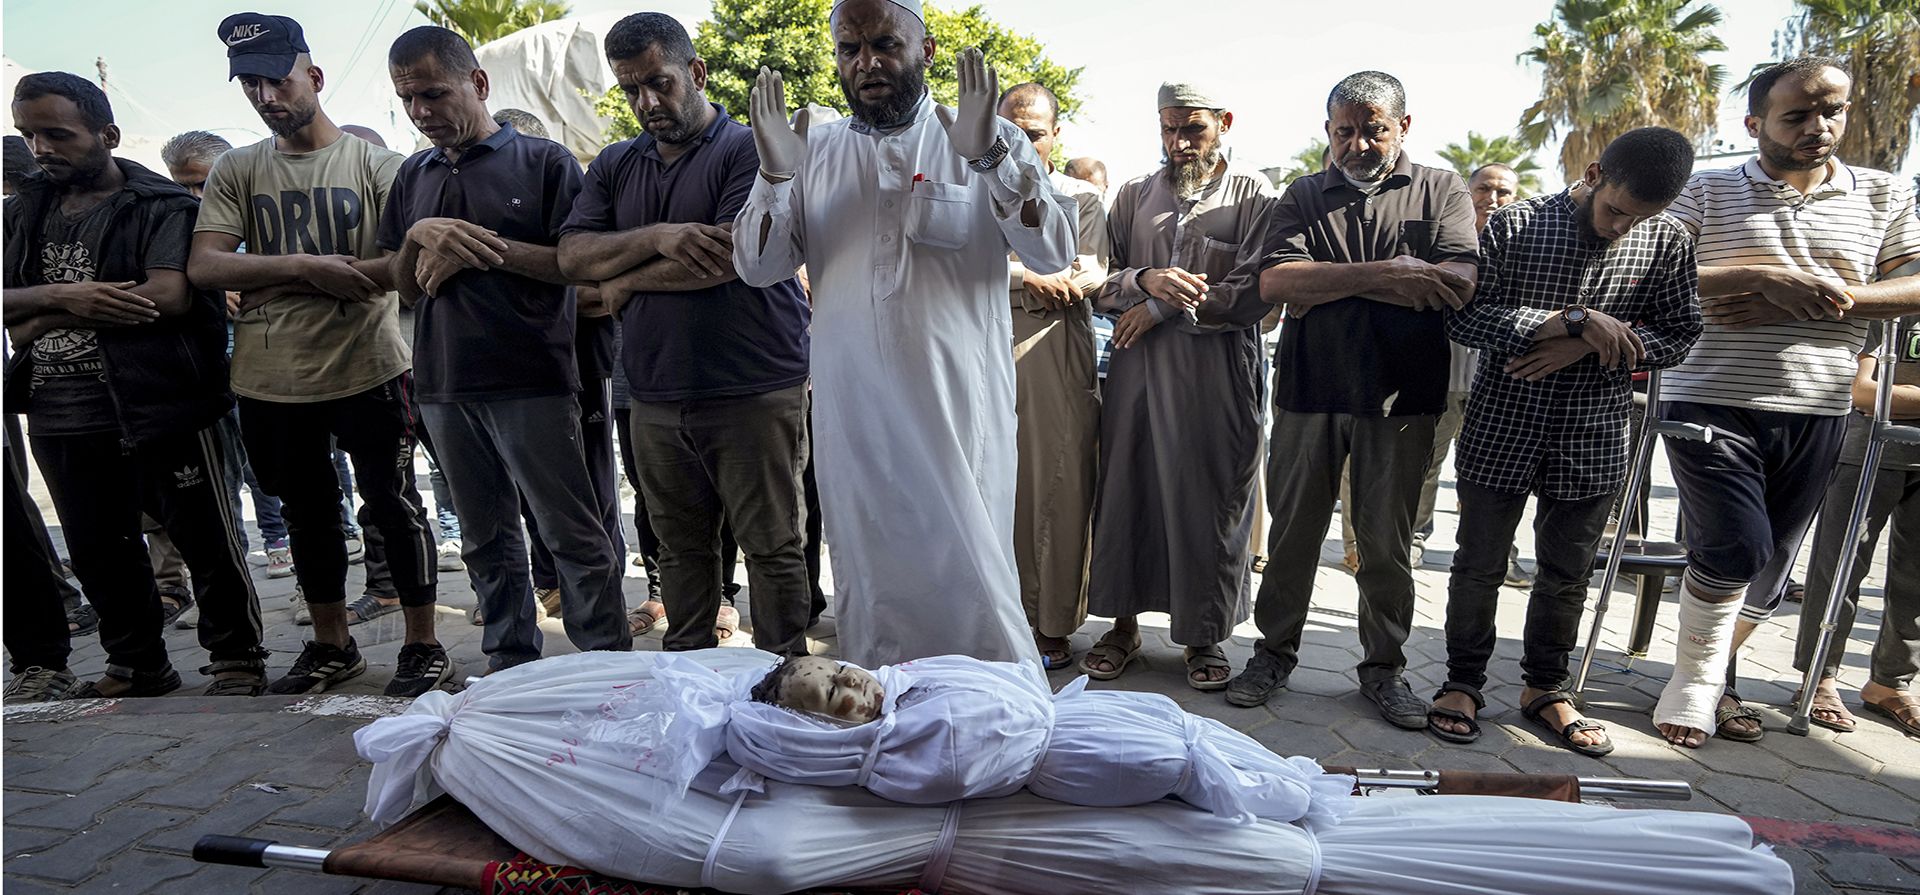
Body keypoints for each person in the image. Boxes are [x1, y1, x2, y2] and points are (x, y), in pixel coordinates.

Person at [732, 0, 1075, 671]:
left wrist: (993, 158)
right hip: (856, 421)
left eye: (885, 43)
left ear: (928, 50)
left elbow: (1052, 251)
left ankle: (993, 723)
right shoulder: (812, 149)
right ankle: (888, 726)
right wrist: (775, 175)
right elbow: (757, 265)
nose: (866, 64)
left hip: (958, 418)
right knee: (874, 585)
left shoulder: (975, 135)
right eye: (849, 49)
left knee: (972, 579)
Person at [1650, 56, 1920, 748]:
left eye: (1831, 111)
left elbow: (1915, 285)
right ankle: (1696, 681)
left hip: (1818, 403)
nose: (1818, 127)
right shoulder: (1705, 191)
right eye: (1797, 114)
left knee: (1768, 577)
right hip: (1707, 395)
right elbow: (1650, 270)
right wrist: (1758, 276)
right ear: (1754, 123)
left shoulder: (1884, 195)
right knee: (1737, 544)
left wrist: (1842, 299)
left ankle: (1718, 678)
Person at [188, 14, 446, 697]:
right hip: (272, 377)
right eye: (251, 83)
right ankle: (332, 642)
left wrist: (265, 275)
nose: (267, 95)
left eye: (278, 78)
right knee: (306, 511)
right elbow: (206, 269)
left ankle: (422, 642)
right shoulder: (237, 169)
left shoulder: (378, 166)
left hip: (371, 363)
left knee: (394, 503)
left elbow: (400, 269)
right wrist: (308, 267)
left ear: (314, 77)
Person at [1431, 128, 1702, 756]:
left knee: (1567, 574)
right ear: (1593, 171)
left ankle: (1546, 690)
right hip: (1502, 423)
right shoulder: (1515, 224)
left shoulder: (1669, 240)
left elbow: (1680, 335)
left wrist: (1587, 344)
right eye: (1614, 210)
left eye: (1639, 218)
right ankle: (1462, 683)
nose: (1619, 227)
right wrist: (1563, 321)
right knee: (1478, 565)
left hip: (1595, 433)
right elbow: (1465, 317)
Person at [1227, 71, 1479, 729]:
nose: (1359, 143)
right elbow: (1279, 279)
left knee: (1386, 544)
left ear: (1404, 127)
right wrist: (1394, 273)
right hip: (1311, 391)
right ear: (1328, 130)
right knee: (1292, 537)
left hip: (1402, 398)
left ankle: (1383, 670)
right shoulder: (1305, 193)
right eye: (1345, 130)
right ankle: (1273, 654)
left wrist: (1330, 283)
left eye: (1374, 128)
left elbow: (1458, 280)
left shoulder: (1442, 188)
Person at [4, 71, 269, 697]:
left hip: (164, 400)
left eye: (57, 134)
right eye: (29, 135)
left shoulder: (163, 205)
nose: (41, 149)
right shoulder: (21, 213)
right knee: (97, 545)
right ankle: (137, 663)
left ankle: (237, 658)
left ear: (107, 133)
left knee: (206, 537)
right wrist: (66, 296)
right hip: (58, 405)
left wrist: (39, 315)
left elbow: (166, 297)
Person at [557, 14, 813, 657]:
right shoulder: (616, 163)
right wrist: (659, 238)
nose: (647, 102)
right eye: (631, 89)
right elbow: (572, 257)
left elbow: (728, 256)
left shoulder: (749, 148)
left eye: (660, 83)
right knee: (678, 548)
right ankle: (689, 675)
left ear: (695, 73)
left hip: (756, 385)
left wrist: (622, 283)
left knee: (774, 545)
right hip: (656, 393)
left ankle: (787, 681)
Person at [380, 26, 629, 673]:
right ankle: (511, 664)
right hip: (443, 385)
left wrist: (475, 249)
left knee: (571, 532)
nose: (421, 112)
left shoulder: (545, 163)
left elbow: (579, 267)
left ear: (479, 84)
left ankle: (607, 664)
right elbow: (400, 283)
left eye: (433, 94)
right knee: (487, 539)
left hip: (534, 379)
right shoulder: (413, 175)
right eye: (407, 99)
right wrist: (420, 237)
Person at [635, 653, 1353, 827]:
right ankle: (1292, 807)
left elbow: (997, 677)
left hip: (1075, 715)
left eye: (845, 672)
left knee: (1189, 725)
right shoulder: (888, 757)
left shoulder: (904, 683)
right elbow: (970, 758)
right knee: (1177, 759)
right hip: (1067, 754)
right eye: (836, 699)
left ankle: (1297, 777)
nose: (857, 688)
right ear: (822, 731)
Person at [1081, 82, 1277, 690]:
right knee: (1128, 493)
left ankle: (1205, 636)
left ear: (1224, 122)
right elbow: (1099, 277)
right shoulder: (1134, 195)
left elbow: (1255, 290)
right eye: (1169, 129)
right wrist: (1145, 280)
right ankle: (1122, 627)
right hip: (1137, 373)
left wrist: (1162, 307)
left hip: (1216, 374)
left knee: (1210, 501)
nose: (1179, 142)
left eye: (1193, 129)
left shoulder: (1255, 194)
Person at [997, 82, 1107, 670]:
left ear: (1056, 136)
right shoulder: (971, 192)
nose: (1019, 142)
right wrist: (1026, 274)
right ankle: (991, 616)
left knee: (1054, 489)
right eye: (1007, 130)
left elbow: (1088, 273)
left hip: (1049, 349)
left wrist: (1022, 271)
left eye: (1033, 132)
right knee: (983, 489)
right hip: (976, 345)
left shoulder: (1078, 198)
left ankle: (1051, 624)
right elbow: (944, 266)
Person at [160, 128, 294, 582]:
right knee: (219, 480)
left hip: (264, 367)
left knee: (274, 474)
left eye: (203, 183)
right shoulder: (174, 230)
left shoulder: (258, 220)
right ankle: (230, 577)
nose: (195, 195)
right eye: (183, 185)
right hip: (204, 375)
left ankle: (289, 558)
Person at [1791, 334, 1920, 737]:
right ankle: (1819, 677)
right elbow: (1861, 391)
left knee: (1915, 580)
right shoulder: (1898, 290)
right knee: (1840, 568)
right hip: (1869, 449)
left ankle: (1890, 683)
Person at [1410, 163, 1525, 580]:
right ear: (1467, 190)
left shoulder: (1521, 246)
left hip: (1497, 383)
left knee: (1492, 473)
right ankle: (1414, 540)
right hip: (1443, 375)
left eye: (1503, 192)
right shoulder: (1445, 240)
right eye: (1483, 189)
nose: (1491, 199)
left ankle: (1498, 553)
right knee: (1426, 464)